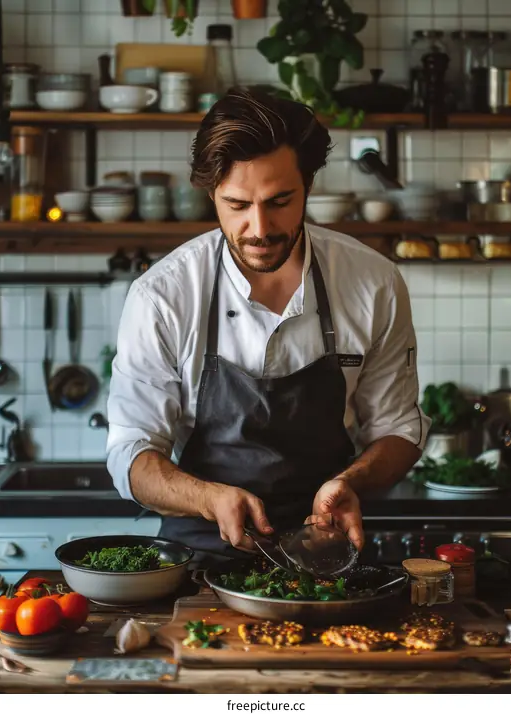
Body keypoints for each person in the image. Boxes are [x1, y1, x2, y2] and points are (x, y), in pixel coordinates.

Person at [106, 87, 431, 566]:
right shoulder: (163, 295)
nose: (260, 228)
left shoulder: (373, 283)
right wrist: (209, 498)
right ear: (211, 194)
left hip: (329, 557)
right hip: (198, 559)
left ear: (309, 185)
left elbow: (399, 429)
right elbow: (130, 453)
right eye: (237, 205)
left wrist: (351, 482)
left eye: (280, 200)